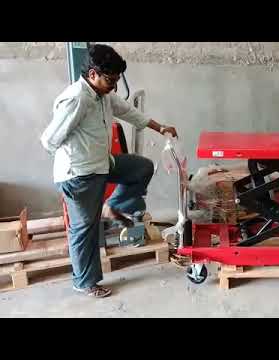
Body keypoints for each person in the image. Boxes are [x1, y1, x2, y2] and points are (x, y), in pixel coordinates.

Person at [40, 44, 177, 298]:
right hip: (79, 175)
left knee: (141, 168)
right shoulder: (76, 99)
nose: (114, 86)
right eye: (110, 80)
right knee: (85, 229)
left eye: (116, 81)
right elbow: (49, 140)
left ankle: (113, 206)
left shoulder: (102, 95)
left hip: (102, 163)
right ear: (92, 74)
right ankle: (84, 282)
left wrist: (161, 127)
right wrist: (77, 150)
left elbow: (129, 112)